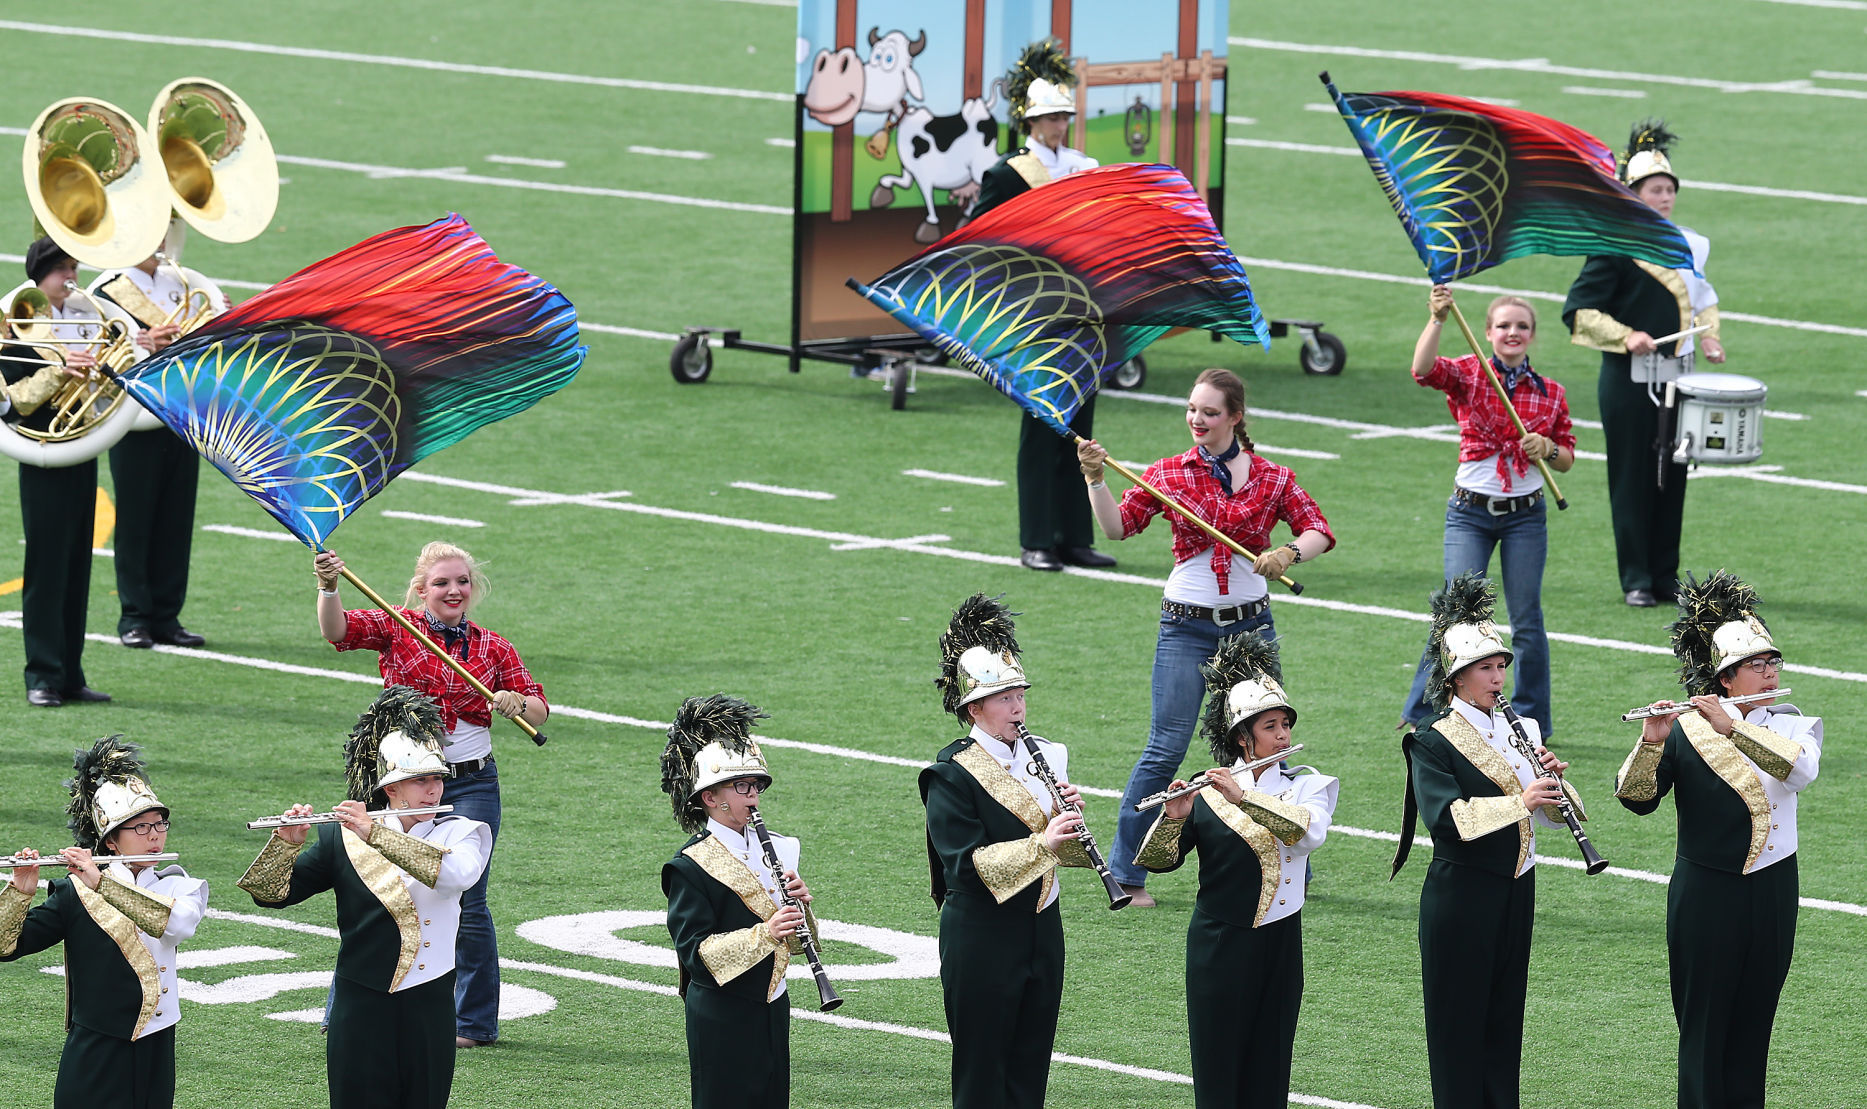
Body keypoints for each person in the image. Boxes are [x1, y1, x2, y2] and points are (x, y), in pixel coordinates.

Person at [1077, 367, 1335, 907]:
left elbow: (1319, 530)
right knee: (1165, 745)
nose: (1197, 419)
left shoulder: (1273, 477)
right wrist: (1096, 479)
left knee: (1268, 749)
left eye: (1210, 412)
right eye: (1192, 409)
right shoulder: (1166, 473)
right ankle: (1126, 872)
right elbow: (1117, 528)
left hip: (1251, 627)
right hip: (1186, 625)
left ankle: (1289, 865)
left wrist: (1288, 552)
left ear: (1235, 417)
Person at [314, 543, 545, 1047]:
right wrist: (328, 586)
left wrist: (517, 702)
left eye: (462, 581)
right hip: (402, 782)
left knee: (470, 898)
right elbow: (336, 631)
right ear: (422, 590)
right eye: (442, 583)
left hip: (472, 780)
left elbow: (539, 712)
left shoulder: (494, 646)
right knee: (376, 888)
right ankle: (345, 1008)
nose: (454, 590)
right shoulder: (397, 626)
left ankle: (473, 1023)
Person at [1615, 572, 1820, 1109]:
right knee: (1704, 1028)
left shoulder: (1795, 725)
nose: (1771, 670)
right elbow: (1636, 799)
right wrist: (1651, 742)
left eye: (1772, 662)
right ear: (1726, 679)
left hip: (1773, 889)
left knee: (1754, 1025)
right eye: (1758, 664)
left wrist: (1735, 729)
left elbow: (1799, 773)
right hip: (1705, 893)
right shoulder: (1686, 729)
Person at [239, 686, 492, 1109]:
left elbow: (453, 877)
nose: (431, 790)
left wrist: (376, 834)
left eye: (436, 779)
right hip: (360, 1000)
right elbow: (271, 895)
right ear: (390, 789)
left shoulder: (462, 832)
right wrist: (284, 845)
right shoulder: (342, 837)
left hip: (428, 1000)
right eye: (418, 780)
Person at [1392, 572, 1588, 1109]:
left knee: (1505, 1018)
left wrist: (1556, 786)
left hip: (1517, 889)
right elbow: (1450, 820)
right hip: (1462, 895)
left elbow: (1553, 818)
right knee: (1459, 1028)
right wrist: (1521, 800)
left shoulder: (1520, 726)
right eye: (1486, 668)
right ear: (1457, 678)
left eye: (1502, 666)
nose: (1498, 677)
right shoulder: (1430, 742)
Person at [1133, 632, 1337, 1109]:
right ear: (1243, 738)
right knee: (1218, 1060)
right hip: (1219, 944)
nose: (1283, 735)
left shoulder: (1309, 785)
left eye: (1285, 724)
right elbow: (1157, 862)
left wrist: (1244, 797)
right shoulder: (1207, 791)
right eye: (1271, 727)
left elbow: (1308, 835)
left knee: (1271, 1058)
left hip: (1281, 939)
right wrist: (1174, 816)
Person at [920, 594, 1093, 1108]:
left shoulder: (1047, 755)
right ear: (975, 709)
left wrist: (1071, 831)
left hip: (1043, 925)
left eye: (1020, 694)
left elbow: (1070, 855)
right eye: (1005, 698)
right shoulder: (949, 775)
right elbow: (966, 866)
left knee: (1031, 1063)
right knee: (982, 1069)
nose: (1018, 706)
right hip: (982, 934)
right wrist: (1045, 842)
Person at [1399, 286, 1575, 739]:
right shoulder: (1471, 372)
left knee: (1527, 619)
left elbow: (1567, 458)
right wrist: (1437, 318)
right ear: (1488, 332)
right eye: (1503, 326)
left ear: (1532, 335)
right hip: (1470, 511)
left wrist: (1548, 447)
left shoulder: (1551, 392)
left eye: (1521, 326)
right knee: (1456, 611)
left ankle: (1531, 717)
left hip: (1525, 515)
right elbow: (1422, 370)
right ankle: (1428, 709)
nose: (1512, 332)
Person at [1563, 120, 1723, 607]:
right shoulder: (1613, 243)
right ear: (1634, 193)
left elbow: (1701, 300)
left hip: (1678, 378)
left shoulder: (1687, 243)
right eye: (1656, 189)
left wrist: (1711, 335)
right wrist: (1624, 334)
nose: (1666, 197)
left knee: (1673, 476)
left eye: (1670, 189)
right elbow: (1579, 310)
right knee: (1632, 477)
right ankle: (1635, 576)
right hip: (1628, 381)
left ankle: (1665, 574)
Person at [0, 736, 208, 1109]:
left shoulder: (179, 885)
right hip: (93, 1046)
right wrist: (20, 891)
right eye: (140, 828)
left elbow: (177, 925)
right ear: (111, 841)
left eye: (160, 824)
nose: (155, 836)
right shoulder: (73, 892)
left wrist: (102, 882)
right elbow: (5, 947)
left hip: (154, 1045)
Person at [971, 39, 1112, 573]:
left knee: (1081, 426)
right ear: (1031, 122)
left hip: (1083, 308)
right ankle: (1037, 539)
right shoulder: (1008, 173)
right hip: (1034, 312)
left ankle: (1075, 537)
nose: (1060, 124)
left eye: (1063, 116)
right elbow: (977, 237)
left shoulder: (1085, 166)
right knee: (1040, 428)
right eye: (1051, 117)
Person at [660, 694, 819, 1109]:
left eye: (756, 786)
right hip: (721, 1011)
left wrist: (802, 911)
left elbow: (802, 945)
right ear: (711, 797)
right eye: (743, 786)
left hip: (772, 1001)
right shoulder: (689, 866)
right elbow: (694, 953)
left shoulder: (781, 850)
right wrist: (765, 933)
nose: (754, 796)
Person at [89, 246, 226, 650]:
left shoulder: (180, 282)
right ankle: (134, 616)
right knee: (136, 519)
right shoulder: (107, 288)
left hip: (183, 412)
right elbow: (102, 352)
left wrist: (223, 316)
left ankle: (167, 616)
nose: (162, 244)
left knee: (176, 517)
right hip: (133, 417)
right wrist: (144, 340)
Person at [5, 237, 109, 707]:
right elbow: (16, 399)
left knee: (76, 565)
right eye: (62, 269)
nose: (71, 276)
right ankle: (41, 674)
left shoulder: (87, 317)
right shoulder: (17, 322)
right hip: (42, 452)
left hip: (82, 445)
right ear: (39, 276)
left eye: (74, 267)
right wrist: (62, 371)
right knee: (47, 566)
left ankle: (71, 673)